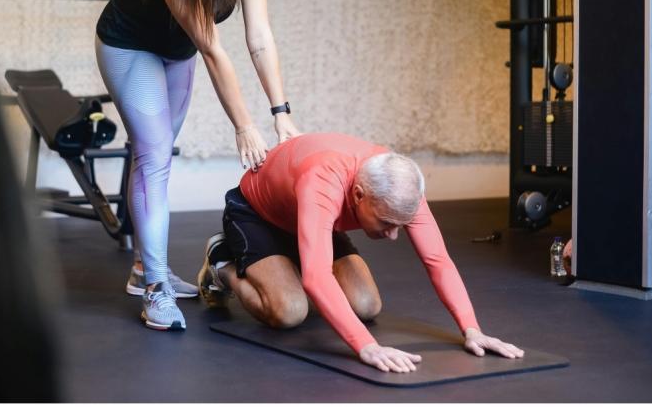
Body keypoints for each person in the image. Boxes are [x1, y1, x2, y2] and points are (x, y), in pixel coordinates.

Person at [95, 0, 300, 331]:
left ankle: (143, 269)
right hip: (130, 46)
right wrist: (244, 125)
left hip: (175, 51)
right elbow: (213, 50)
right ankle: (155, 290)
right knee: (153, 157)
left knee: (155, 154)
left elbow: (259, 37)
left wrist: (280, 113)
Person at [197, 132, 524, 373]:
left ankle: (287, 261)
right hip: (257, 214)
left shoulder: (401, 187)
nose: (395, 235)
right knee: (289, 310)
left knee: (366, 305)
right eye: (386, 223)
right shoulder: (323, 181)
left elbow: (437, 260)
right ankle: (222, 262)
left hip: (310, 220)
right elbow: (316, 277)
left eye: (401, 224)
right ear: (358, 194)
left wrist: (471, 329)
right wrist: (366, 346)